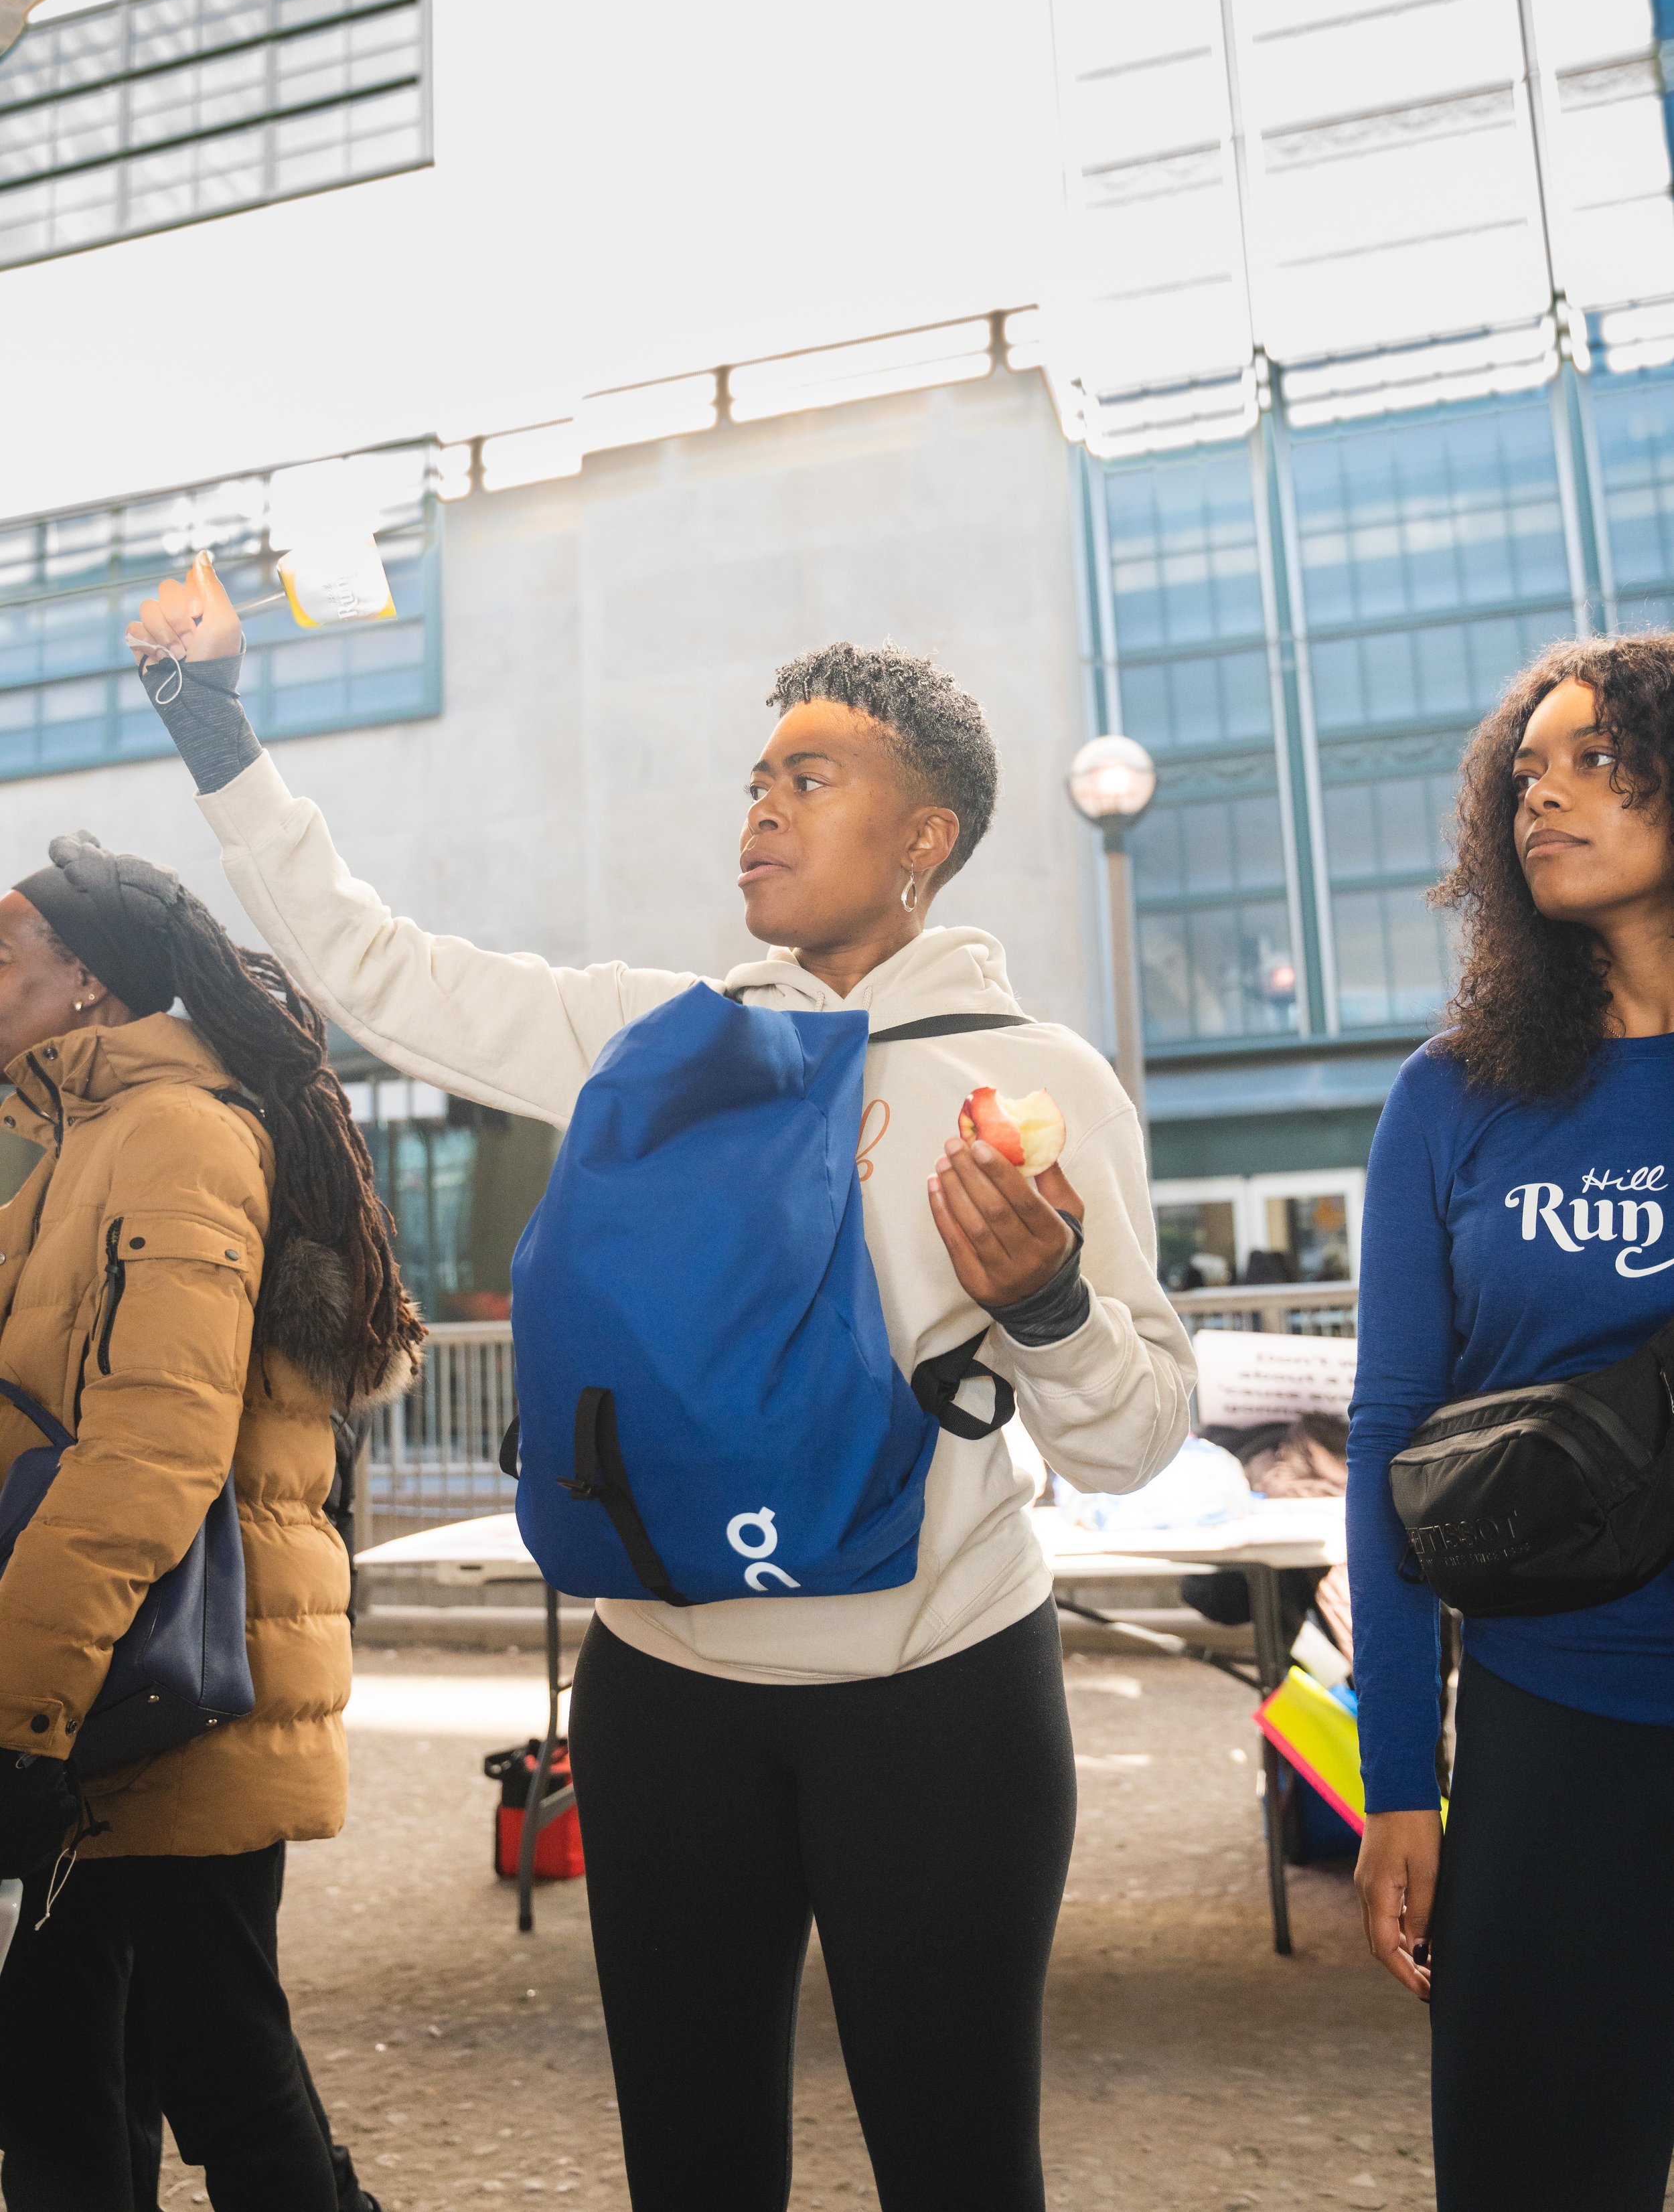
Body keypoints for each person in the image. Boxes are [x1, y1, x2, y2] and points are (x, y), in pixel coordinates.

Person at [129, 563, 1195, 2212]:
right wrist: (215, 732)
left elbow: (1130, 1438)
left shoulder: (1033, 1081)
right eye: (756, 779)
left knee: (959, 2162)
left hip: (938, 1707)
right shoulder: (664, 1044)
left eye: (809, 778)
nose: (758, 811)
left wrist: (1046, 1301)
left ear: (925, 838)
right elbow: (376, 967)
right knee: (689, 2172)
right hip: (666, 1703)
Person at [0, 832, 421, 2211]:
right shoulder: (74, 1138)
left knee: (207, 2062)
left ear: (90, 989)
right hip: (125, 1675)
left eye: (4, 954)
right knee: (85, 2053)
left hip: (171, 1682)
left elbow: (155, 1444)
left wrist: (19, 1707)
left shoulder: (174, 1135)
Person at [1349, 635, 1674, 2211]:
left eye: (1594, 758)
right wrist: (1398, 1780)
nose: (1543, 791)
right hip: (1553, 1730)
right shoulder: (1452, 1093)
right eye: (1523, 772)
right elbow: (1393, 1438)